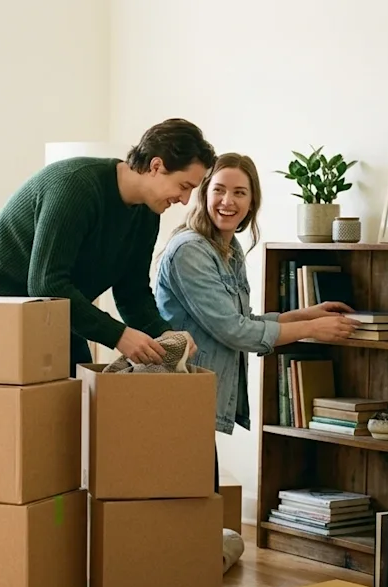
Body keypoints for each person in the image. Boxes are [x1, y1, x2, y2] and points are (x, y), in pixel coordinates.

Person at [154, 153, 359, 484]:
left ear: (251, 203)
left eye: (239, 193)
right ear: (204, 193)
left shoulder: (228, 248)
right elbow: (235, 331)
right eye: (219, 190)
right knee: (189, 499)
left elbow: (243, 319)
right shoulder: (191, 250)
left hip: (197, 402)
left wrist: (304, 314)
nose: (228, 201)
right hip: (179, 400)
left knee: (201, 498)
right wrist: (311, 328)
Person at [0, 118, 214, 374]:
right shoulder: (75, 186)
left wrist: (165, 334)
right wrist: (119, 335)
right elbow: (47, 284)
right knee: (43, 389)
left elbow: (132, 293)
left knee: (82, 387)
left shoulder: (147, 213)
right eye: (184, 186)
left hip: (51, 308)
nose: (185, 200)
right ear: (156, 166)